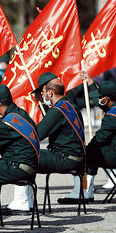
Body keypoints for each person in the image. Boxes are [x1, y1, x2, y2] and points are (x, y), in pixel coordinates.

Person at [21, 72, 86, 205]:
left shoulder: (57, 111)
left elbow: (36, 135)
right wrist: (41, 104)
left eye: (42, 91)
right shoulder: (70, 105)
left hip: (65, 159)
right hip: (77, 158)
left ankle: (22, 202)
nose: (41, 95)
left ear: (50, 93)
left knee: (23, 155)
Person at [0, 85, 39, 214]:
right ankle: (23, 201)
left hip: (19, 168)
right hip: (29, 166)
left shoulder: (8, 124)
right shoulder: (20, 113)